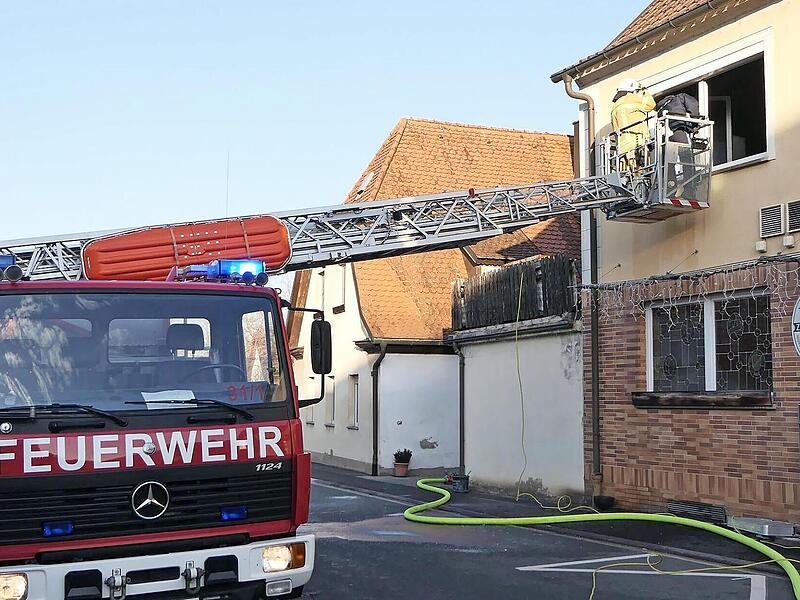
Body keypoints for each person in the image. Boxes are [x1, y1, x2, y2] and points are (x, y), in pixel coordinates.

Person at [610, 79, 656, 172]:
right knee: (641, 175)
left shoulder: (615, 106)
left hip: (622, 147)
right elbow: (651, 104)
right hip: (636, 143)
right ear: (633, 90)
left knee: (628, 177)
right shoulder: (630, 98)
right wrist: (644, 89)